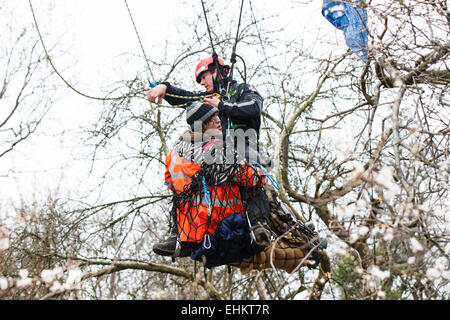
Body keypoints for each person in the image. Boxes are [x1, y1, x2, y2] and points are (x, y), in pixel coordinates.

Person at [149, 56, 272, 256]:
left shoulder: (242, 90)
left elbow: (254, 108)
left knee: (250, 166)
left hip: (245, 145)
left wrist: (222, 105)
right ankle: (178, 235)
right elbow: (186, 97)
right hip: (219, 153)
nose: (202, 83)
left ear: (217, 71)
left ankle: (259, 223)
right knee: (183, 168)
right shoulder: (209, 96)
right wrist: (165, 88)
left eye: (204, 77)